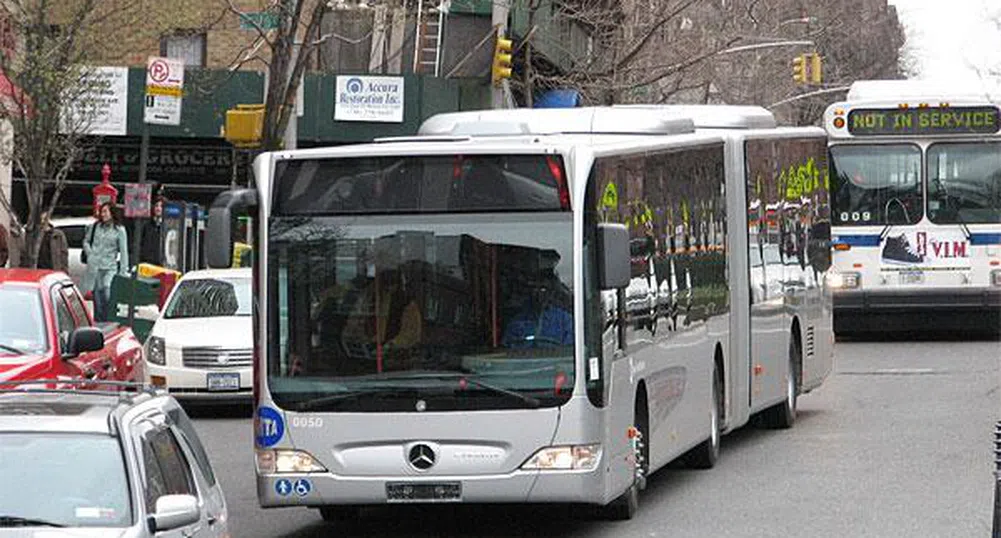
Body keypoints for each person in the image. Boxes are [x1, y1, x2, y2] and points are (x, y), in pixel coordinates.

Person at [81, 202, 129, 322]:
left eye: (105, 211)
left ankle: (110, 318)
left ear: (112, 213)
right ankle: (99, 321)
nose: (103, 214)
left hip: (109, 267)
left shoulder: (119, 230)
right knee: (96, 297)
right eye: (101, 212)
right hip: (95, 266)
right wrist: (90, 253)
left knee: (107, 293)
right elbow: (86, 241)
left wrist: (123, 271)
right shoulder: (95, 227)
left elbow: (123, 252)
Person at [139, 195, 165, 266]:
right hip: (146, 263)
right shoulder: (146, 225)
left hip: (161, 264)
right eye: (156, 206)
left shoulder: (167, 227)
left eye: (161, 206)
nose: (158, 208)